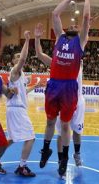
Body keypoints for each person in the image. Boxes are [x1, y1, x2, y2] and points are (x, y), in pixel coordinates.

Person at [39, 0, 92, 176]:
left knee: (65, 126)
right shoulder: (59, 38)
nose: (73, 25)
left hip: (69, 87)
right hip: (54, 84)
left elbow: (86, 17)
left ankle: (65, 159)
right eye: (71, 24)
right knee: (50, 122)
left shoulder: (81, 42)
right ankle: (45, 150)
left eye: (76, 26)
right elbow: (55, 14)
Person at [0, 30, 41, 177]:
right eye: (17, 57)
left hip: (15, 108)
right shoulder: (15, 71)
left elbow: (23, 91)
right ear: (13, 62)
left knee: (11, 139)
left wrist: (34, 87)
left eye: (20, 56)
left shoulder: (21, 76)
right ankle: (22, 167)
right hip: (17, 110)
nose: (20, 59)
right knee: (31, 137)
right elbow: (24, 59)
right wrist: (27, 40)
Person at [34, 23, 85, 167]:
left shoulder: (78, 57)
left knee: (76, 131)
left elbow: (82, 37)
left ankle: (77, 154)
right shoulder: (60, 62)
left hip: (77, 99)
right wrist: (37, 39)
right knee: (60, 130)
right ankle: (61, 159)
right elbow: (40, 55)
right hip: (62, 95)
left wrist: (86, 25)